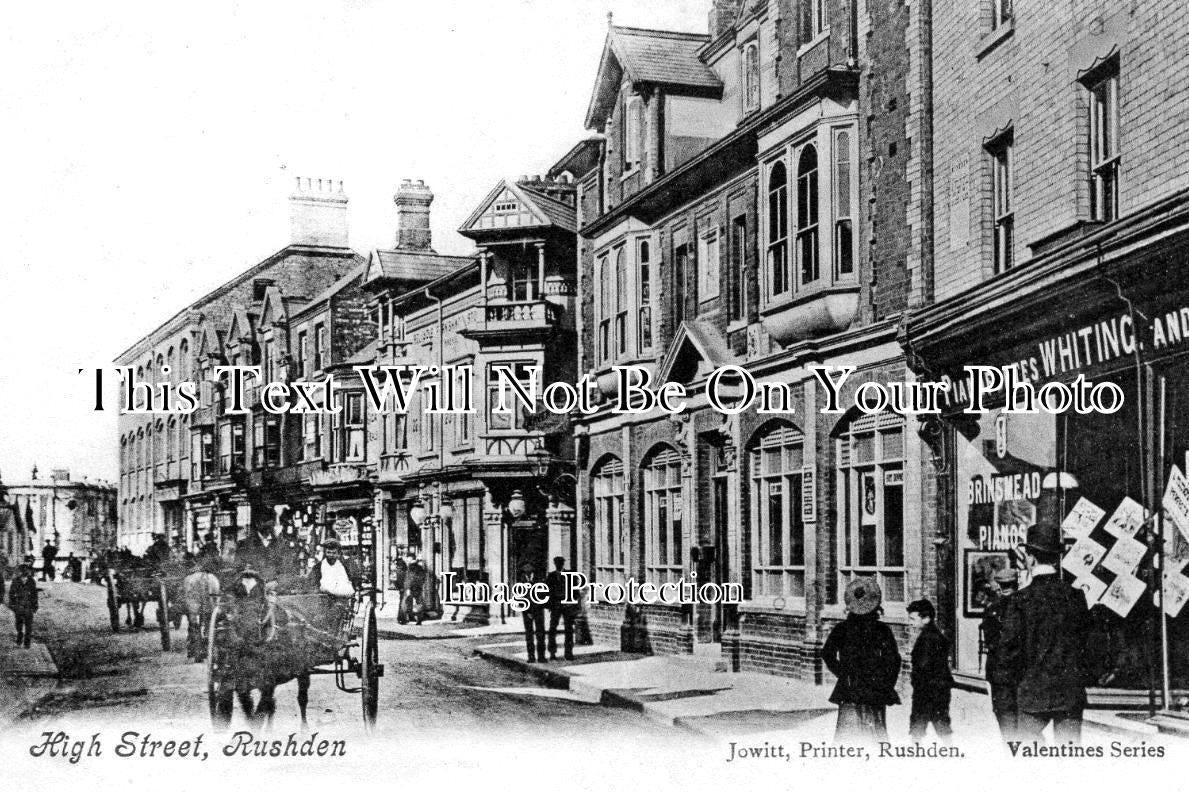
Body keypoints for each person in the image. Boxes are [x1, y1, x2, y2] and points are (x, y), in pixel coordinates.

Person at [999, 518, 1093, 743]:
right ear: (1057, 558)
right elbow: (1089, 644)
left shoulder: (1021, 600)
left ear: (1030, 558)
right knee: (1069, 758)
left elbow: (1008, 652)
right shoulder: (1076, 597)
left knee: (1031, 758)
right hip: (1070, 693)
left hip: (1033, 693)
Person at [821, 578, 902, 744]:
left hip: (849, 689)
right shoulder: (882, 630)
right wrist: (886, 684)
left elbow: (827, 654)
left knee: (847, 737)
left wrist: (843, 674)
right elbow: (894, 661)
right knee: (875, 736)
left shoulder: (841, 629)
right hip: (876, 689)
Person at [906, 598, 953, 742]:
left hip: (926, 691)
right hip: (939, 689)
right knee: (942, 725)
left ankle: (914, 756)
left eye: (913, 618)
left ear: (926, 619)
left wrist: (917, 685)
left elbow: (923, 666)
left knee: (918, 728)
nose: (910, 622)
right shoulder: (935, 634)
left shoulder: (927, 639)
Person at [981, 567, 1019, 740]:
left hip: (999, 672)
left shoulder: (992, 609)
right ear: (1016, 583)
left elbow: (990, 642)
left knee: (1005, 718)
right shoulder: (1024, 605)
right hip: (1021, 671)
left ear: (999, 585)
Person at [545, 556, 577, 661]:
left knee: (569, 629)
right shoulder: (551, 576)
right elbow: (547, 591)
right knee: (552, 629)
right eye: (557, 563)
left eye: (560, 563)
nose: (559, 565)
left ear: (563, 564)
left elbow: (575, 590)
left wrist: (573, 604)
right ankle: (552, 652)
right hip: (555, 606)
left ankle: (568, 653)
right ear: (555, 564)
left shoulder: (570, 575)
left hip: (567, 605)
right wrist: (549, 605)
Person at [519, 568, 548, 663]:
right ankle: (531, 656)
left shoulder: (539, 579)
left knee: (540, 634)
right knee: (529, 634)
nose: (528, 570)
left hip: (538, 611)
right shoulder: (520, 581)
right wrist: (527, 611)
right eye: (525, 568)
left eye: (530, 568)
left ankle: (541, 656)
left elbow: (544, 595)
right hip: (527, 612)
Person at [8, 564, 38, 648]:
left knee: (29, 625)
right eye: (22, 570)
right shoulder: (16, 581)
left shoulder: (31, 581)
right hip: (19, 605)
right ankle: (19, 637)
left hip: (28, 606)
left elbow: (34, 594)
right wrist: (12, 605)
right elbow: (11, 593)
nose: (25, 572)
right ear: (20, 572)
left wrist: (35, 605)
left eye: (26, 570)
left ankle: (27, 642)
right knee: (19, 624)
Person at [403, 553, 427, 626]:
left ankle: (407, 618)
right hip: (418, 587)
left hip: (411, 587)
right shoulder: (420, 567)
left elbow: (409, 578)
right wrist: (420, 584)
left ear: (411, 559)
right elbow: (423, 577)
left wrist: (408, 587)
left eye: (408, 558)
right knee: (419, 603)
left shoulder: (410, 567)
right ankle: (419, 619)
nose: (407, 560)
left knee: (406, 602)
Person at [391, 555, 408, 624]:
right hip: (405, 588)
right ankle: (402, 618)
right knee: (403, 603)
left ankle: (400, 618)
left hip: (401, 589)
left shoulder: (397, 571)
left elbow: (395, 581)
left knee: (401, 603)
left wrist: (398, 587)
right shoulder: (404, 571)